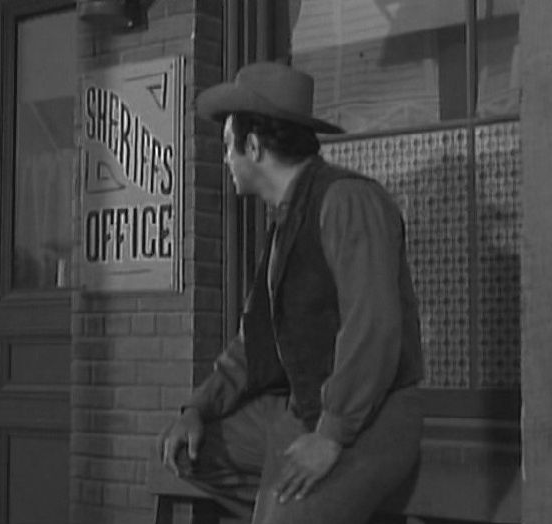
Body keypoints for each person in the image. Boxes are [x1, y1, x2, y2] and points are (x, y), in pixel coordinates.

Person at [158, 61, 425, 524]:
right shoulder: (285, 224)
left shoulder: (346, 200)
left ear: (254, 147)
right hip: (302, 410)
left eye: (228, 145)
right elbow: (253, 345)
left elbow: (373, 328)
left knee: (283, 514)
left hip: (371, 419)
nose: (225, 160)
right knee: (187, 450)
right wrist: (197, 407)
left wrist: (332, 435)